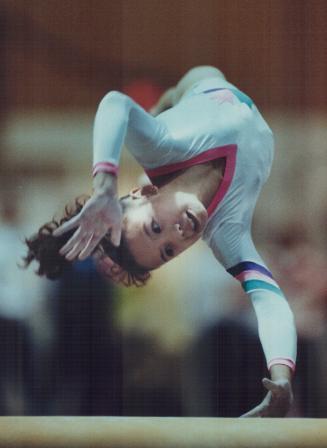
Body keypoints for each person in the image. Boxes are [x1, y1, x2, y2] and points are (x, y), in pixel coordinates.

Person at [24, 66, 297, 417]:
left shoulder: (161, 146)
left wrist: (105, 183)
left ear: (145, 193)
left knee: (169, 101)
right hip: (224, 104)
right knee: (167, 106)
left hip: (200, 85)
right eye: (169, 251)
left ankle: (165, 103)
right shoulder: (227, 234)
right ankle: (166, 103)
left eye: (155, 227)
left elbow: (114, 104)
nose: (176, 235)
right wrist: (282, 378)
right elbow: (269, 301)